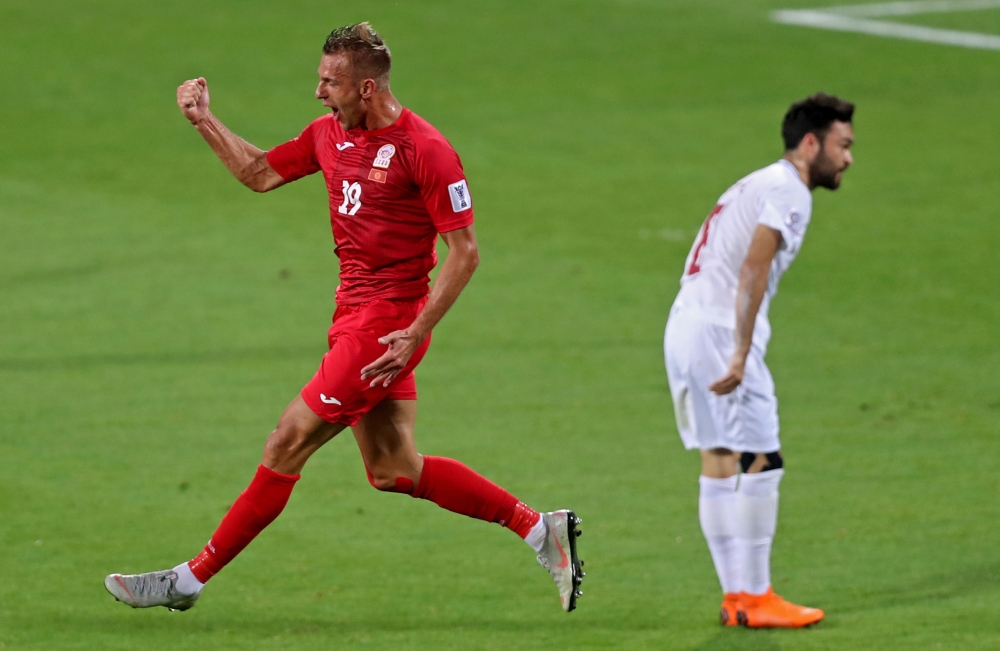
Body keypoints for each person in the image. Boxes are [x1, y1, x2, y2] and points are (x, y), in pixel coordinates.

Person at [104, 22, 583, 614]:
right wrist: (204, 120)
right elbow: (259, 174)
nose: (318, 93)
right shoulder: (328, 135)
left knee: (287, 441)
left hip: (385, 331)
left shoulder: (425, 150)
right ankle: (542, 530)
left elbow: (466, 252)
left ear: (366, 89)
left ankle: (188, 579)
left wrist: (414, 332)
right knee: (393, 469)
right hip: (352, 318)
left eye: (329, 82)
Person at [664, 93, 854, 628]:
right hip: (721, 331)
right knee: (762, 458)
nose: (848, 159)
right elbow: (753, 269)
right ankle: (757, 593)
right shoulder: (789, 190)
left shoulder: (756, 180)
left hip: (686, 322)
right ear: (811, 142)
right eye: (843, 146)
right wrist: (742, 352)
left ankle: (737, 598)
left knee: (720, 459)